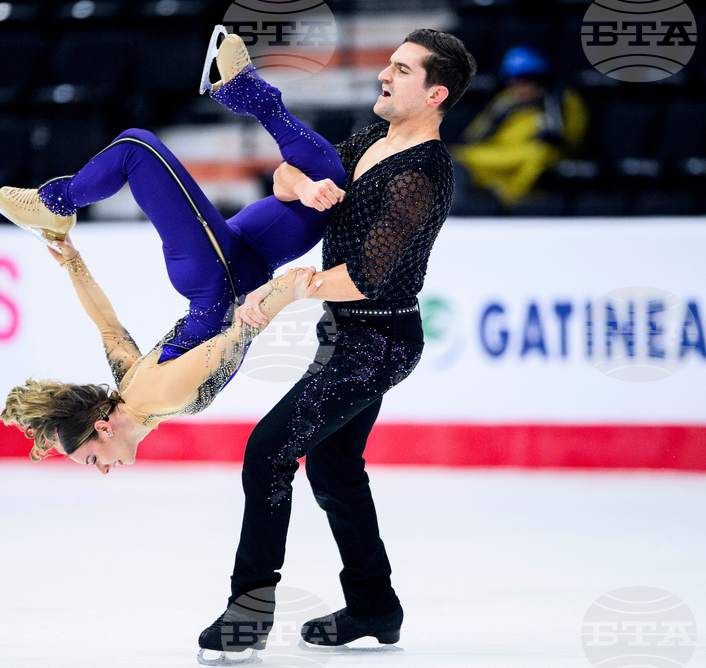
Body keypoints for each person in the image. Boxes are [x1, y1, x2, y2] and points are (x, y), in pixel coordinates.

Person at [196, 29, 477, 665]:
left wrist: (285, 291)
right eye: (389, 61)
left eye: (401, 69)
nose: (384, 73)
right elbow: (286, 178)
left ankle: (249, 610)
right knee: (333, 466)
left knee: (269, 450)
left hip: (378, 341)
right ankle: (375, 605)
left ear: (434, 93)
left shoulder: (424, 174)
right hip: (346, 336)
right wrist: (306, 186)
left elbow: (367, 274)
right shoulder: (372, 143)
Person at [0, 31, 348, 469]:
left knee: (137, 149)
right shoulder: (132, 390)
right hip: (251, 257)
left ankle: (56, 200)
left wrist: (292, 293)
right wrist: (72, 260)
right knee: (327, 175)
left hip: (214, 274)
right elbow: (108, 328)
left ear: (102, 429)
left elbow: (240, 330)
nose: (103, 470)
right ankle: (245, 91)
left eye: (92, 460)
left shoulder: (155, 395)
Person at [450, 46, 588, 208]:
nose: (519, 85)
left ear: (540, 78)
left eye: (526, 79)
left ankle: (507, 200)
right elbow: (475, 134)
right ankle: (462, 207)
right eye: (514, 79)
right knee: (454, 156)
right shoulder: (505, 100)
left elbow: (569, 139)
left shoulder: (562, 100)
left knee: (539, 155)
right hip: (500, 155)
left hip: (534, 154)